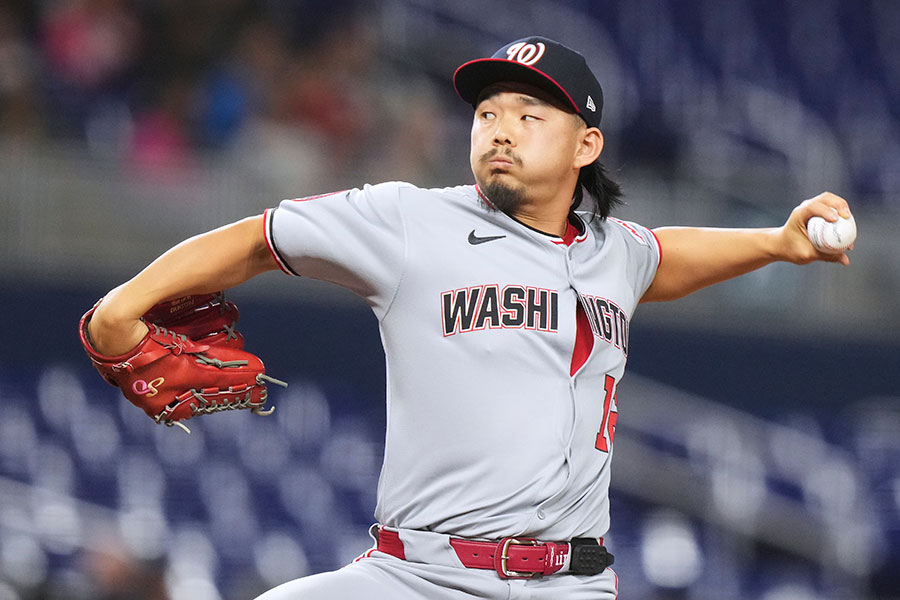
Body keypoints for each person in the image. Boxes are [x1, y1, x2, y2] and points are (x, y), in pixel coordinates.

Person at [84, 36, 853, 599]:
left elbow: (663, 256)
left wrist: (778, 243)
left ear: (588, 144)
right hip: (414, 576)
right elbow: (256, 238)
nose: (501, 128)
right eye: (487, 112)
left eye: (529, 112)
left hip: (573, 584)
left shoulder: (614, 254)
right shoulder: (407, 221)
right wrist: (123, 306)